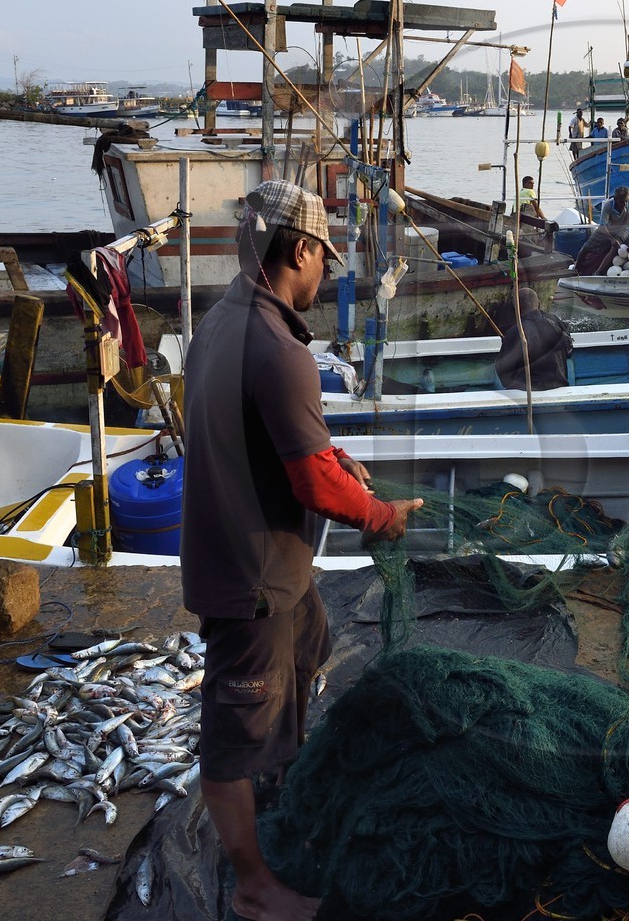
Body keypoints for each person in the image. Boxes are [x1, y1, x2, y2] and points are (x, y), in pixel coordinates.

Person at [181, 178, 422, 921]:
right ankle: (255, 887)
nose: (332, 274)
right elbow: (317, 485)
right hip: (250, 576)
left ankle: (277, 783)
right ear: (303, 249)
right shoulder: (279, 348)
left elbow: (277, 442)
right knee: (234, 731)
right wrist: (380, 515)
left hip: (262, 561)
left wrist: (324, 453)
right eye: (329, 256)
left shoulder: (220, 321)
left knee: (311, 642)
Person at [496, 286, 573, 390]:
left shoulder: (515, 332)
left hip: (525, 391)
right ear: (539, 304)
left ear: (516, 308)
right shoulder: (556, 323)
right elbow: (569, 350)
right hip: (558, 386)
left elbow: (504, 374)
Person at [573, 186, 629, 275]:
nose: (623, 204)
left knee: (614, 247)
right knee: (586, 247)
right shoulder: (608, 205)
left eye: (625, 201)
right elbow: (602, 226)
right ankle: (576, 268)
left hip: (624, 229)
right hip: (608, 229)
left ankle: (598, 272)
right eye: (621, 202)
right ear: (615, 199)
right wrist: (611, 238)